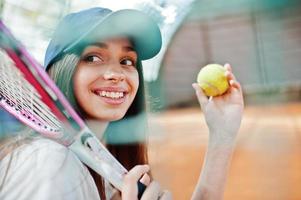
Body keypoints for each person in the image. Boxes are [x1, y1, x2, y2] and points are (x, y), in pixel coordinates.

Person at [0, 6, 244, 200]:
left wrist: (222, 135)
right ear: (63, 70)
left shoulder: (101, 166)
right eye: (93, 57)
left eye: (127, 61)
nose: (117, 73)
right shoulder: (49, 163)